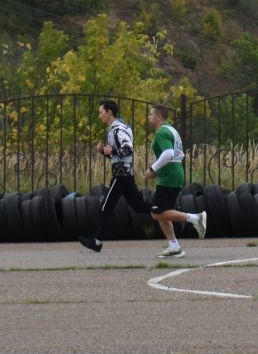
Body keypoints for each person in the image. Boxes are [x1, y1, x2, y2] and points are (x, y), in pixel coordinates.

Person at [79, 99, 203, 256]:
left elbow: (128, 150)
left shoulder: (118, 129)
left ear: (110, 112)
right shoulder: (120, 128)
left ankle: (97, 242)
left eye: (101, 112)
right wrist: (104, 152)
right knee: (142, 207)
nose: (99, 116)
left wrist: (152, 168)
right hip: (128, 174)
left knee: (107, 206)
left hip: (123, 175)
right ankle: (174, 242)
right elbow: (120, 155)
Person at [143, 103, 207, 257]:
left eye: (151, 115)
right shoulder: (171, 130)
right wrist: (158, 171)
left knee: (156, 213)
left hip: (170, 176)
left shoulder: (161, 133)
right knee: (163, 212)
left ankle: (195, 218)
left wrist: (153, 169)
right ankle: (174, 247)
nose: (149, 117)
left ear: (158, 117)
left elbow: (168, 153)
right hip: (172, 173)